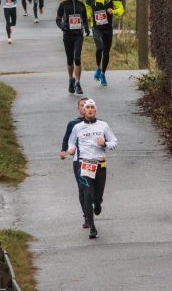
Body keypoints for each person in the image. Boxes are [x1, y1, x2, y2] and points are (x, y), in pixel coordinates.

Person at [67, 99, 118, 239]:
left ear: (95, 110)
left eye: (92, 107)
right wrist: (71, 149)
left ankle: (99, 203)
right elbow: (71, 142)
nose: (89, 109)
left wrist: (105, 144)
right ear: (83, 110)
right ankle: (92, 227)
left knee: (97, 196)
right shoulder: (77, 127)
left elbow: (114, 142)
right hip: (84, 165)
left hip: (100, 164)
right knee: (87, 195)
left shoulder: (103, 125)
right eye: (87, 107)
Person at [85, 0, 125, 86]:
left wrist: (114, 11)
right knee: (99, 48)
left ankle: (103, 74)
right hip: (96, 28)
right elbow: (87, 7)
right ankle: (98, 67)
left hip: (107, 28)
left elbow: (121, 9)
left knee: (106, 52)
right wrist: (88, 15)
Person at [60, 97, 88, 228]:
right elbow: (67, 139)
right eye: (82, 105)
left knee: (94, 190)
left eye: (87, 105)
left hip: (95, 161)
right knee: (82, 188)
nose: (85, 108)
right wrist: (64, 150)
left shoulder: (100, 124)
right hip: (78, 161)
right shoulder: (73, 124)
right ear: (78, 108)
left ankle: (96, 203)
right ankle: (87, 216)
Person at [56, 0, 89, 95]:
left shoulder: (81, 5)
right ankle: (71, 79)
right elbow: (58, 19)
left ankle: (78, 83)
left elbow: (84, 19)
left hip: (78, 35)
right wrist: (62, 26)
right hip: (67, 34)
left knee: (77, 58)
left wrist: (86, 28)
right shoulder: (63, 5)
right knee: (70, 59)